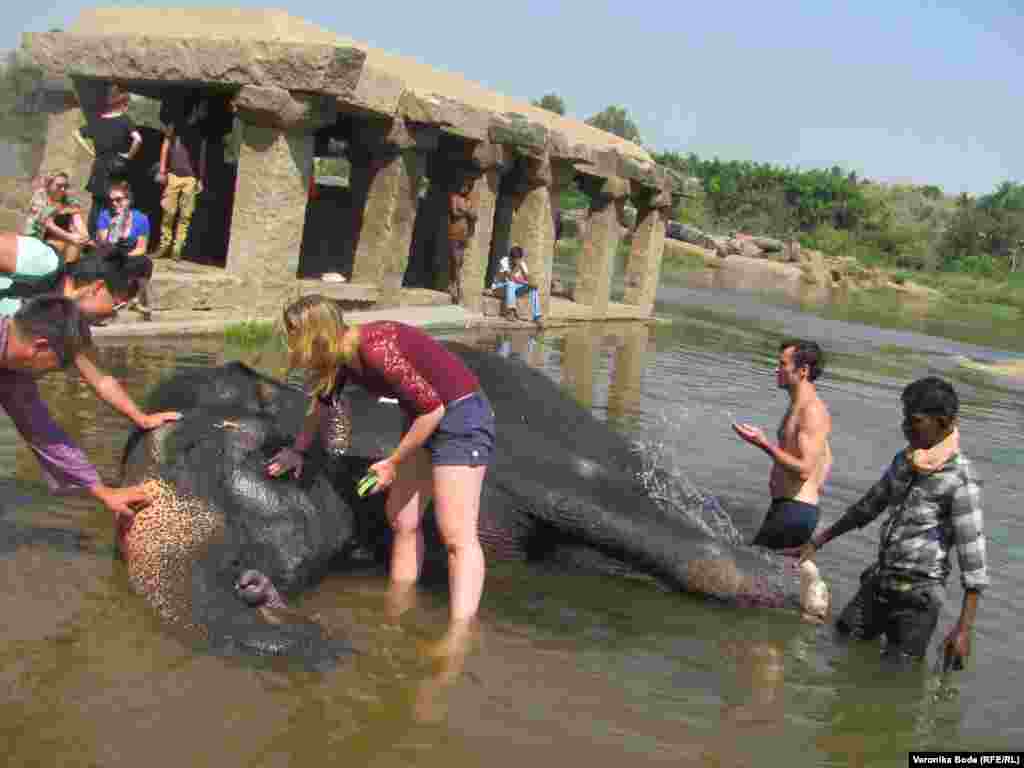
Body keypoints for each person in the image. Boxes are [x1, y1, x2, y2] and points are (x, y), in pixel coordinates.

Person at [266, 295, 495, 651]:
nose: (290, 341)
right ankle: (398, 610)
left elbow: (433, 410)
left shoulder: (374, 349)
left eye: (294, 332)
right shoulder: (340, 359)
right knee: (402, 520)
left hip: (460, 418)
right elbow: (322, 406)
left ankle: (458, 637)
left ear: (317, 333)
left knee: (456, 534)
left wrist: (392, 462)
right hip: (422, 417)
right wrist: (297, 450)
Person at [789, 377, 988, 666]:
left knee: (896, 677)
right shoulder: (905, 461)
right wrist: (816, 542)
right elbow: (868, 507)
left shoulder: (961, 479)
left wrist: (962, 630)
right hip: (879, 582)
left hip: (917, 601)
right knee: (838, 644)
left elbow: (974, 563)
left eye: (915, 420)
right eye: (905, 418)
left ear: (943, 423)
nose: (905, 426)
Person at [0, 296, 165, 524]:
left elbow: (42, 432)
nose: (58, 371)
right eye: (63, 362)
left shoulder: (14, 371)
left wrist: (102, 491)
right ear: (40, 347)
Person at [733, 339, 832, 549]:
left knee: (750, 570)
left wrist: (763, 444)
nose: (776, 369)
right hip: (792, 509)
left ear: (803, 370)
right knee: (759, 572)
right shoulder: (799, 405)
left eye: (782, 364)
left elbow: (805, 470)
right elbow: (828, 457)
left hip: (794, 511)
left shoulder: (811, 411)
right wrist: (814, 489)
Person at [0, 229, 153, 323]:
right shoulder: (44, 261)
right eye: (116, 306)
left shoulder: (58, 314)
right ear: (97, 288)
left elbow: (93, 369)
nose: (112, 314)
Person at [76, 84, 143, 236]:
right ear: (123, 104)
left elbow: (76, 133)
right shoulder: (125, 120)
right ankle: (112, 238)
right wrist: (129, 156)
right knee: (117, 205)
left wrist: (89, 151)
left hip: (99, 167)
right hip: (117, 167)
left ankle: (93, 239)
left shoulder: (97, 120)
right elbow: (138, 139)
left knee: (97, 206)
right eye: (127, 104)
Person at [156, 93, 207, 260]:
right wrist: (162, 170)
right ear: (196, 108)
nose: (205, 112)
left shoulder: (202, 131)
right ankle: (164, 246)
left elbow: (202, 155)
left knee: (185, 215)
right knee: (168, 212)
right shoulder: (176, 124)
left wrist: (201, 178)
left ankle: (177, 249)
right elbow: (165, 144)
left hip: (191, 178)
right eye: (203, 108)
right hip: (173, 175)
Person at [95, 180, 152, 317]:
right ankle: (117, 299)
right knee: (110, 262)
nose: (114, 203)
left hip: (130, 254)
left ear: (128, 200)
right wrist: (113, 229)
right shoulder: (105, 216)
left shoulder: (140, 218)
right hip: (110, 253)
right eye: (111, 201)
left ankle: (138, 298)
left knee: (145, 263)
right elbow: (105, 246)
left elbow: (142, 248)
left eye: (118, 199)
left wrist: (127, 257)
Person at [23, 172, 91, 264]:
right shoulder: (41, 197)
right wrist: (70, 237)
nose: (63, 189)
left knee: (77, 244)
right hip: (39, 237)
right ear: (49, 185)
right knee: (61, 244)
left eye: (65, 186)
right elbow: (48, 224)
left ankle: (66, 270)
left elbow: (77, 219)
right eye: (59, 186)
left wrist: (84, 236)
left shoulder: (68, 199)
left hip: (62, 236)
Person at [447, 177, 477, 304]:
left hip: (464, 233)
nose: (464, 188)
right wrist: (466, 211)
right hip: (455, 230)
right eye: (463, 186)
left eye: (467, 187)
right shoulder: (455, 198)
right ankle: (455, 287)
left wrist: (466, 211)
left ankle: (454, 286)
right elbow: (454, 212)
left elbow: (474, 216)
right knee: (455, 259)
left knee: (460, 261)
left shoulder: (468, 201)